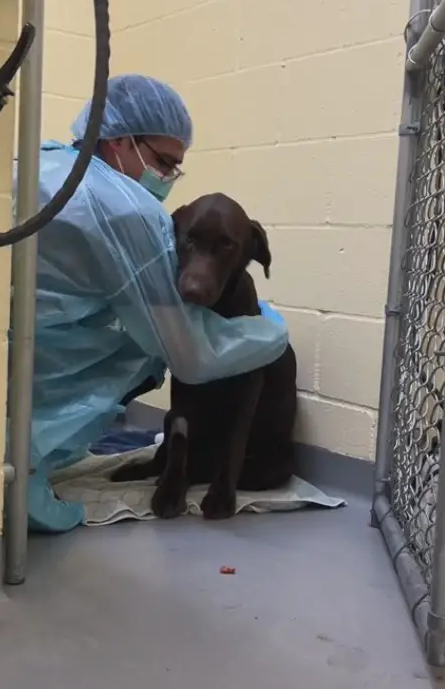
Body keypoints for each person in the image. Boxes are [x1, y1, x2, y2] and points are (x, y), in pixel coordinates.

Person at [22, 74, 289, 532]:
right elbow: (189, 355)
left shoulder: (44, 164)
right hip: (50, 361)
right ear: (121, 141)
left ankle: (17, 464)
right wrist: (271, 332)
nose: (165, 178)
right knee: (139, 350)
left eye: (173, 169)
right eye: (163, 162)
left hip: (8, 345)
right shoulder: (131, 211)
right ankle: (24, 474)